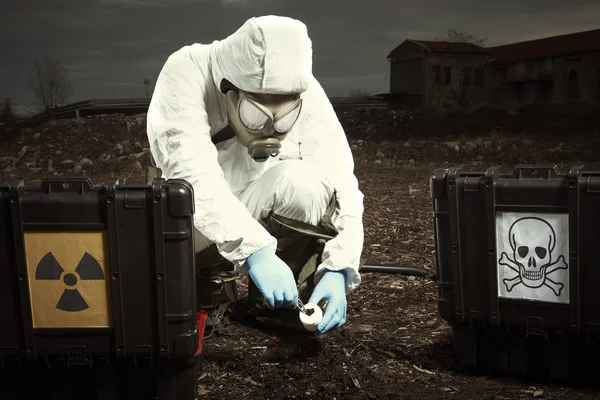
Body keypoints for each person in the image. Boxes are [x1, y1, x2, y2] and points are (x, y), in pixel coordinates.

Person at [145, 15, 364, 335]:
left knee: (309, 185)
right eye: (255, 114)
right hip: (191, 217)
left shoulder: (302, 87)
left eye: (284, 118)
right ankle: (209, 281)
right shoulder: (186, 70)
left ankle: (280, 302)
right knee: (173, 232)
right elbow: (194, 177)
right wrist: (255, 252)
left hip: (257, 198)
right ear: (229, 91)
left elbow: (339, 177)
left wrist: (339, 267)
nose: (270, 131)